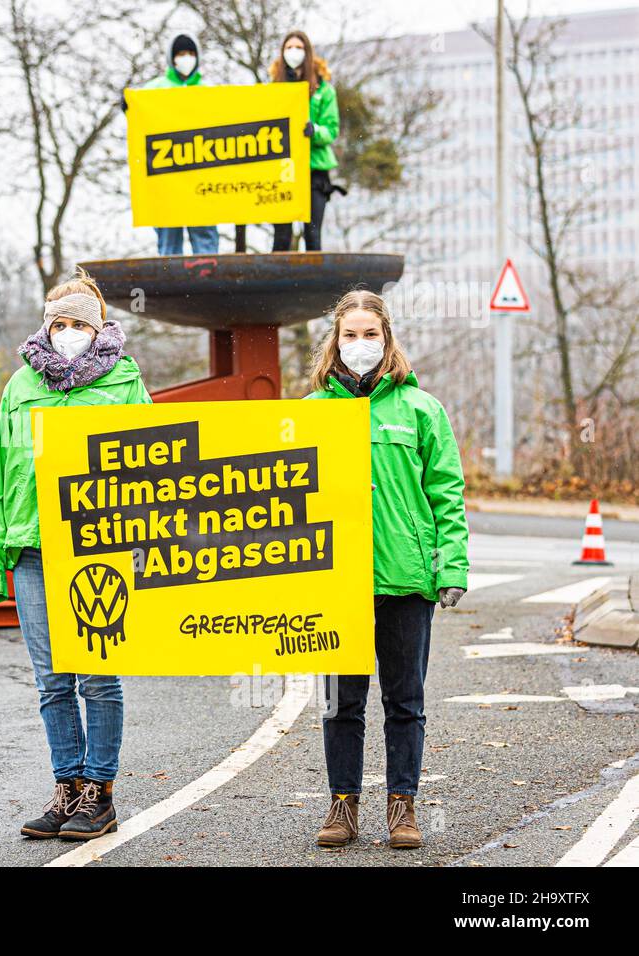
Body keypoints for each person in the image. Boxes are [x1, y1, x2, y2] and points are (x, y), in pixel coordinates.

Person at [0, 266, 153, 841]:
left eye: (78, 323)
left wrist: (148, 545)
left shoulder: (125, 383)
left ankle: (100, 792)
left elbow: (157, 467)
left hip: (100, 548)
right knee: (52, 678)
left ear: (97, 327)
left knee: (97, 676)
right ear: (45, 328)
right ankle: (67, 788)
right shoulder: (21, 388)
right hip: (31, 549)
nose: (67, 331)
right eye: (58, 323)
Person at [304, 290, 469, 850]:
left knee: (406, 700)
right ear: (335, 340)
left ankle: (402, 807)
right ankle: (343, 806)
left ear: (388, 338)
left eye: (369, 334)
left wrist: (451, 567)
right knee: (340, 703)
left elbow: (447, 494)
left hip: (405, 577)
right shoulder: (309, 413)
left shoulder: (423, 410)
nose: (359, 345)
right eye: (349, 335)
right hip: (336, 583)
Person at [143, 34, 220, 256]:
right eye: (180, 54)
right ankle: (170, 289)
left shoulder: (209, 92)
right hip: (167, 178)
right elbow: (138, 118)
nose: (186, 58)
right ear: (172, 58)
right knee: (169, 242)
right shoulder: (153, 89)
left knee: (205, 240)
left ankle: (209, 286)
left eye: (190, 54)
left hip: (201, 179)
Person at [269, 31, 341, 252]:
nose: (293, 52)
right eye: (289, 48)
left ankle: (314, 286)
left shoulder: (324, 90)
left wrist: (315, 131)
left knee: (313, 233)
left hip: (314, 170)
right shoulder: (273, 89)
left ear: (307, 53)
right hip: (283, 171)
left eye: (298, 48)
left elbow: (332, 129)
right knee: (281, 235)